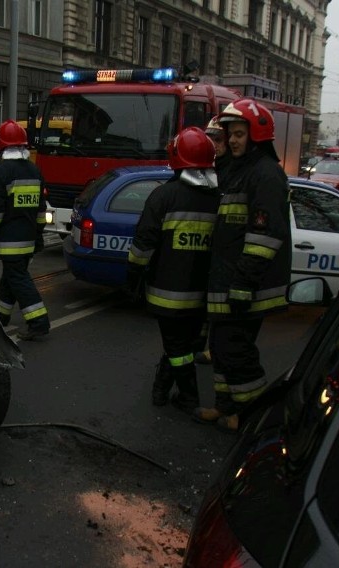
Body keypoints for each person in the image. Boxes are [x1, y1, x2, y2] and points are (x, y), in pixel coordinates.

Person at [193, 99, 292, 432]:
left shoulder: (265, 175)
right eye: (229, 134)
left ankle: (255, 416)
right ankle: (225, 408)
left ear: (257, 135)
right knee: (221, 349)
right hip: (227, 282)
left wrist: (243, 284)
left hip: (247, 288)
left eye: (238, 134)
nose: (232, 141)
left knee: (237, 351)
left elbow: (265, 235)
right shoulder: (237, 170)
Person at [126, 127, 219, 414]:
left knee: (178, 349)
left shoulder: (163, 197)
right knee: (184, 344)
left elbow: (143, 246)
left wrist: (133, 280)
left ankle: (187, 396)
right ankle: (161, 389)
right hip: (203, 295)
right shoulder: (220, 198)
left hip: (167, 295)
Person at [0, 119, 50, 341]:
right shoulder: (34, 170)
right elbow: (41, 210)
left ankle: (39, 321)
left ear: (1, 147)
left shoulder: (1, 172)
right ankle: (1, 317)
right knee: (11, 277)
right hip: (29, 238)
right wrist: (39, 235)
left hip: (8, 241)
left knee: (19, 279)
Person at [194, 117, 232, 365]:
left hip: (225, 255)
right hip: (210, 250)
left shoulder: (232, 171)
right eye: (211, 139)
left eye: (218, 140)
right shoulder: (209, 168)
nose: (214, 144)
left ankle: (213, 348)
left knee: (219, 308)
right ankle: (201, 345)